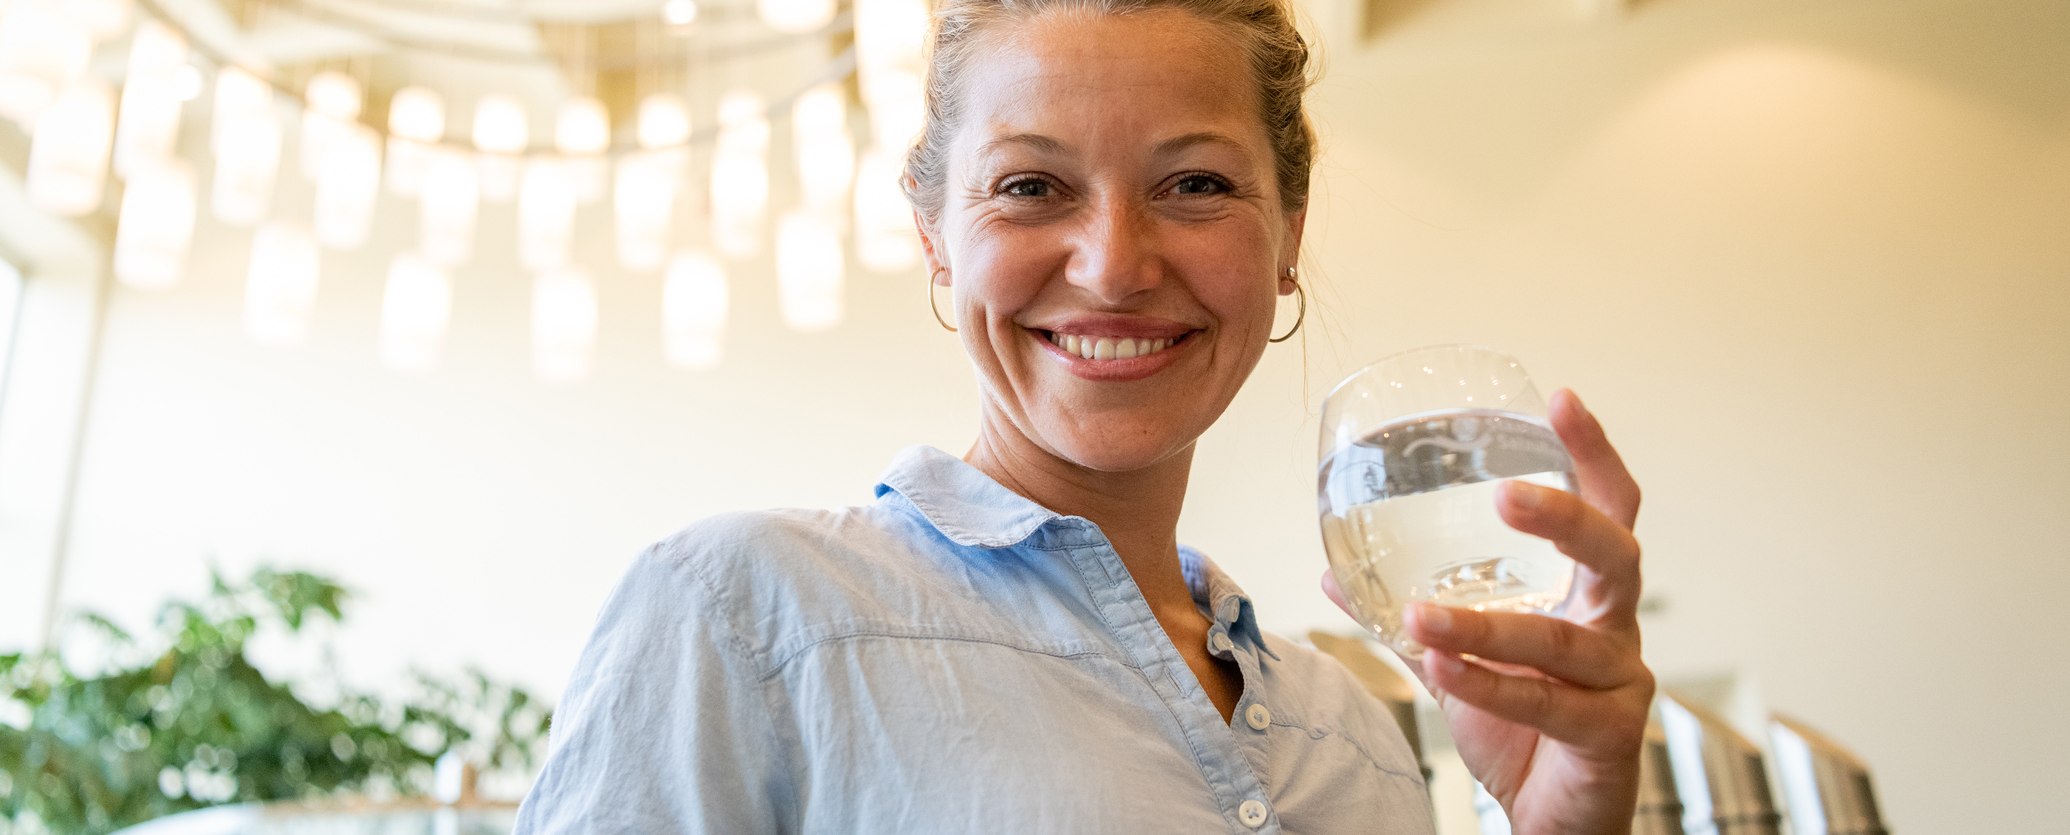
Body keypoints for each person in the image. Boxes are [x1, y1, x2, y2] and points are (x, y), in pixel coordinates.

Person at [514, 0, 1653, 831]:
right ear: (936, 242)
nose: (1113, 266)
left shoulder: (1350, 727)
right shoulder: (745, 616)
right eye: (1029, 186)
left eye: (1195, 183)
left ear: (1288, 235)